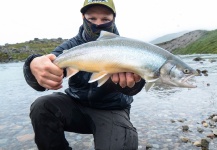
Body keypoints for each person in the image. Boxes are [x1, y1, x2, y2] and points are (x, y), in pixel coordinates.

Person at [23, 0, 145, 149]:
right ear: (83, 17)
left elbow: (138, 84)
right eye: (92, 18)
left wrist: (130, 85)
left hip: (112, 109)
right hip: (76, 106)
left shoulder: (126, 48)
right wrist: (33, 65)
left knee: (123, 142)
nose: (98, 24)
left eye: (105, 19)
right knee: (41, 106)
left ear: (113, 18)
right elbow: (47, 67)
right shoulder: (71, 46)